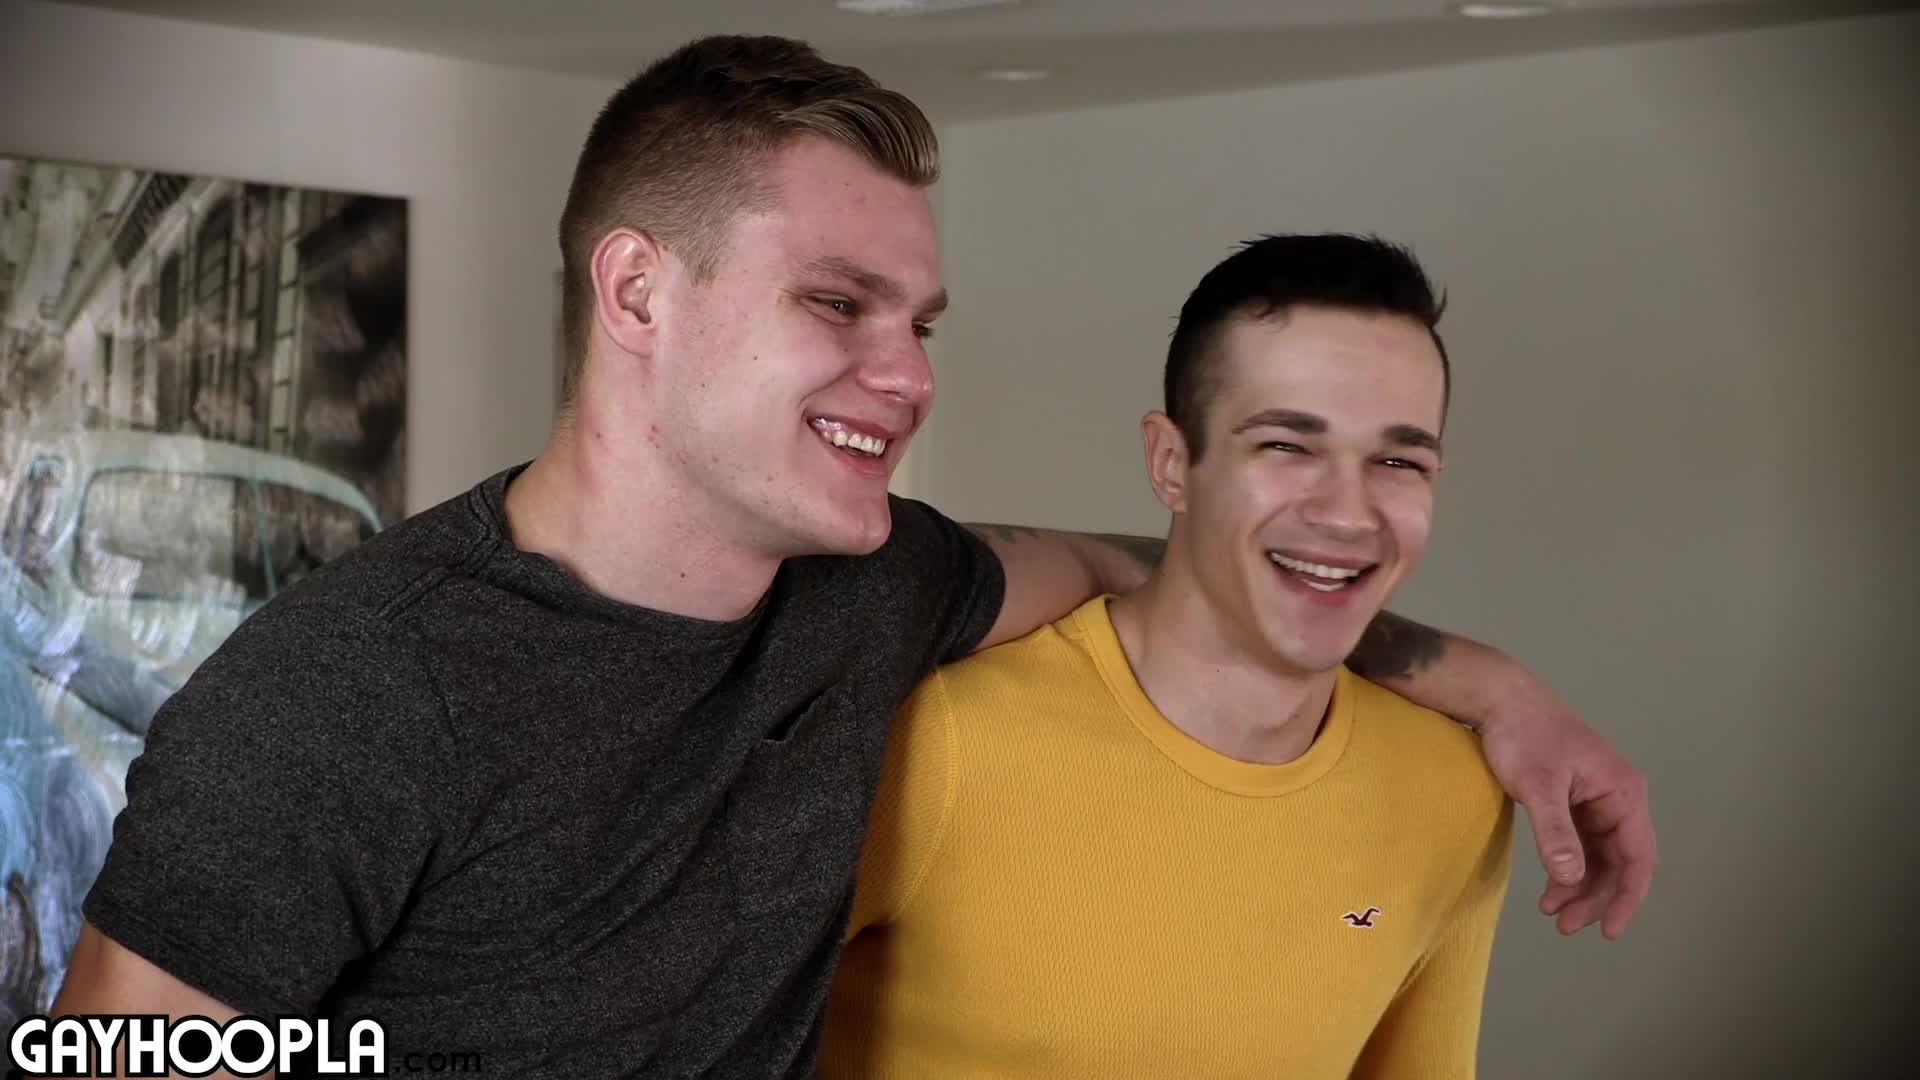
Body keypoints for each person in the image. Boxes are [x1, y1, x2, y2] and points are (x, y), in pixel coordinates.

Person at [46, 36, 1652, 1077]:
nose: (908, 375)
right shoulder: (349, 694)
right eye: (837, 304)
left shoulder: (877, 589)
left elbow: (1173, 571)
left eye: (921, 323)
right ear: (637, 293)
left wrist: (1496, 688)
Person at [823, 233, 1524, 1078]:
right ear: (1170, 462)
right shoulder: (933, 741)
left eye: (1398, 460)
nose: (1348, 513)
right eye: (1287, 446)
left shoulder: (1457, 792)